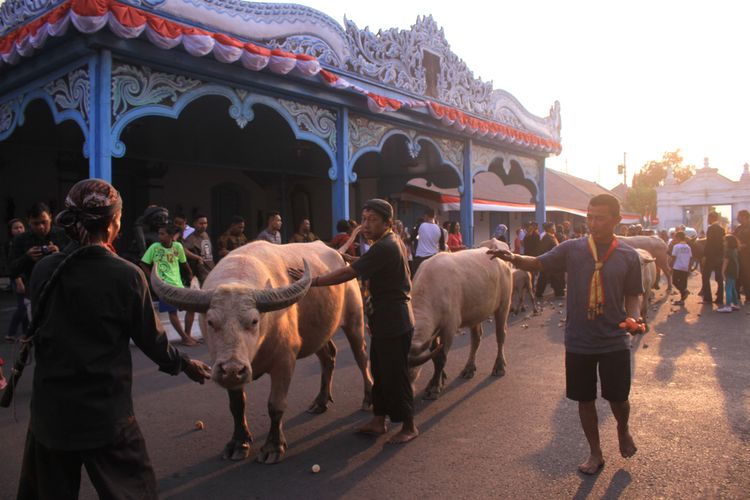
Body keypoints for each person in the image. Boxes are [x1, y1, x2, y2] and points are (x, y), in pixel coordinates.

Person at [16, 179, 210, 499]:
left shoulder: (43, 270)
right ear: (114, 223)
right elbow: (152, 340)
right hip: (106, 414)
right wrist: (184, 365)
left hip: (50, 414)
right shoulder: (126, 275)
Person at [487, 193, 643, 475]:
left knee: (618, 397)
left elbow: (633, 294)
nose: (593, 223)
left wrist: (634, 316)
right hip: (579, 339)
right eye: (590, 217)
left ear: (617, 220)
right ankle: (595, 452)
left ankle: (623, 429)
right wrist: (513, 257)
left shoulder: (628, 256)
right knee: (585, 398)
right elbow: (538, 263)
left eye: (600, 218)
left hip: (614, 339)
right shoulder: (573, 249)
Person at [290, 199, 417, 444]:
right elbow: (364, 265)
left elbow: (351, 273)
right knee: (379, 370)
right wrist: (346, 257)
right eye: (364, 219)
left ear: (387, 223)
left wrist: (312, 282)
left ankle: (409, 425)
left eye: (373, 220)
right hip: (385, 317)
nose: (366, 225)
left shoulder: (385, 246)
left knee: (395, 374)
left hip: (393, 319)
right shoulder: (389, 242)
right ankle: (379, 420)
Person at [140, 225, 198, 346]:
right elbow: (143, 263)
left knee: (191, 308)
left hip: (178, 284)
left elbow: (184, 262)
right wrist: (152, 277)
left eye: (162, 234)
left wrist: (190, 275)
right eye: (159, 234)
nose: (159, 236)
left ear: (171, 236)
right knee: (172, 312)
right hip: (164, 286)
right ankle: (185, 337)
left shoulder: (178, 247)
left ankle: (187, 335)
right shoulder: (154, 247)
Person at [8, 203, 70, 301]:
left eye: (44, 222)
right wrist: (27, 257)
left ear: (50, 217)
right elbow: (12, 270)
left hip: (61, 291)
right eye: (36, 223)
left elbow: (76, 262)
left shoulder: (64, 235)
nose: (41, 227)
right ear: (28, 221)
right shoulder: (20, 240)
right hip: (34, 293)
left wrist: (59, 255)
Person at [183, 214, 215, 337]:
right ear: (195, 224)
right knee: (192, 306)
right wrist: (196, 257)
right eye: (201, 223)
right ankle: (187, 334)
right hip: (197, 274)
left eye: (205, 223)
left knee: (209, 306)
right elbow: (183, 250)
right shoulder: (190, 238)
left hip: (209, 273)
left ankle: (206, 333)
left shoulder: (205, 235)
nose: (204, 226)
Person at [6, 218, 29, 342]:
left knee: (26, 306)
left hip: (27, 278)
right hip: (18, 278)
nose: (19, 230)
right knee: (22, 307)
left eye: (21, 227)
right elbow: (12, 265)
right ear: (11, 231)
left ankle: (26, 333)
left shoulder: (26, 241)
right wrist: (18, 281)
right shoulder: (12, 244)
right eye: (16, 228)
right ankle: (11, 333)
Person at [701, 212, 725, 306]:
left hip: (711, 257)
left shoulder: (711, 229)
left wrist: (705, 256)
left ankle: (708, 298)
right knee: (719, 277)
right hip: (720, 256)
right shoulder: (722, 229)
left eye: (708, 218)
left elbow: (709, 244)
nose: (707, 220)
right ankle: (719, 298)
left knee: (705, 276)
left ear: (711, 218)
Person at [412, 208, 444, 276]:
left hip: (420, 259)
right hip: (434, 259)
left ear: (426, 216)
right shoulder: (440, 229)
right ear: (434, 216)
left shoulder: (420, 226)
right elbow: (442, 247)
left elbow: (411, 238)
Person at [535, 222, 564, 298]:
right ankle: (558, 293)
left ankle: (558, 293)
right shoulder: (546, 238)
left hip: (554, 261)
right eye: (553, 227)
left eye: (554, 227)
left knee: (548, 277)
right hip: (549, 261)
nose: (554, 229)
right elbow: (543, 250)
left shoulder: (552, 237)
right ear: (548, 229)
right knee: (545, 277)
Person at [718, 234, 740, 312]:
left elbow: (726, 262)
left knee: (728, 288)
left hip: (729, 271)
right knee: (733, 288)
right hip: (735, 270)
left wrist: (722, 272)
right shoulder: (735, 250)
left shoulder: (728, 251)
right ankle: (736, 304)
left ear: (728, 242)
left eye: (725, 241)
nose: (724, 242)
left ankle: (728, 306)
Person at [669, 231, 692, 306]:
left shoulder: (676, 246)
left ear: (678, 238)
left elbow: (673, 258)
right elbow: (690, 258)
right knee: (683, 283)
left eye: (675, 237)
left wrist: (670, 266)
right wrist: (689, 268)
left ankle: (684, 291)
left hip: (677, 267)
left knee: (675, 281)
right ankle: (682, 299)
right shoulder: (688, 247)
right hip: (685, 267)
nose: (674, 238)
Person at [734, 210, 750, 303]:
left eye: (739, 216)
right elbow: (734, 238)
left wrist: (744, 246)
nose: (737, 218)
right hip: (737, 255)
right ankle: (736, 296)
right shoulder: (738, 228)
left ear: (744, 216)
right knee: (737, 275)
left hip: (747, 256)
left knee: (746, 276)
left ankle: (748, 297)